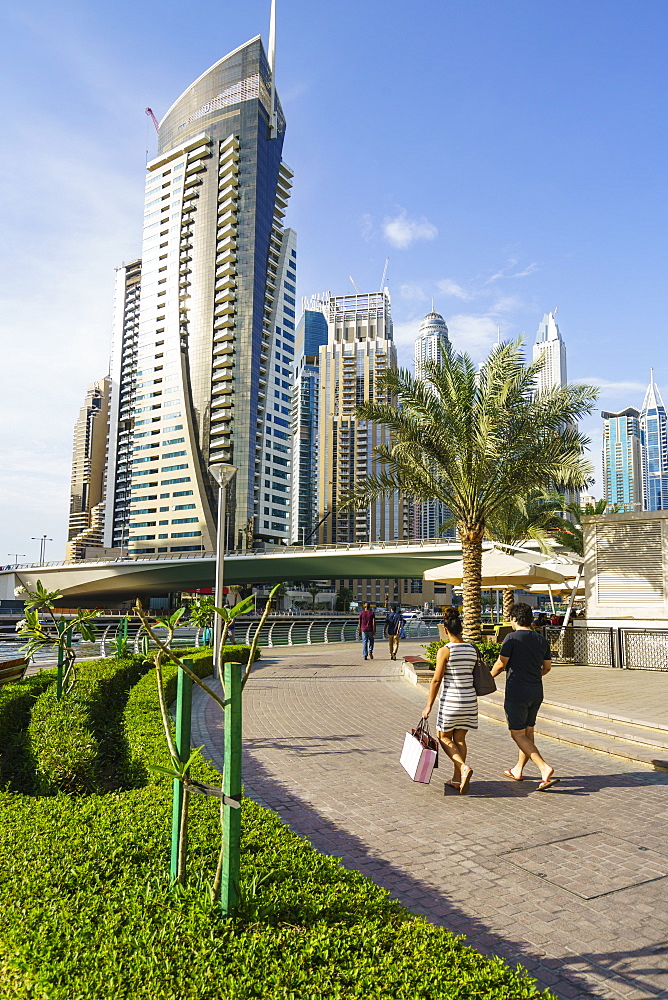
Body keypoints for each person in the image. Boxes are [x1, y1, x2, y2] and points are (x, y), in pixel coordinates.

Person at [491, 601, 559, 791]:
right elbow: (547, 667)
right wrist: (533, 675)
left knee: (517, 733)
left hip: (517, 691)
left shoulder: (511, 638)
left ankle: (544, 768)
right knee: (528, 732)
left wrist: (487, 679)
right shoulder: (541, 639)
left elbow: (500, 664)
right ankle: (518, 769)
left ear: (514, 618)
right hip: (536, 691)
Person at [421, 608, 477, 794]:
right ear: (461, 629)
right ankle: (456, 779)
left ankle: (463, 768)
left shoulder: (445, 650)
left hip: (451, 701)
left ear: (446, 630)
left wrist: (428, 705)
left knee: (443, 737)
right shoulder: (472, 649)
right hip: (470, 700)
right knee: (460, 739)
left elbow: (436, 680)